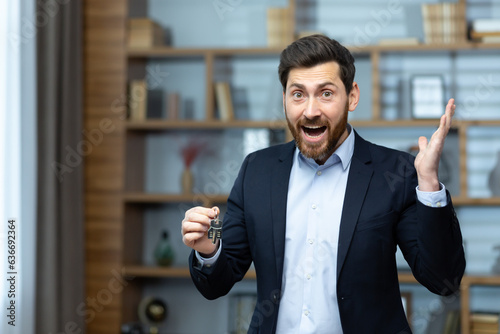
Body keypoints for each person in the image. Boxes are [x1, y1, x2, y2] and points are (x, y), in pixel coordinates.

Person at [181, 34, 465, 334]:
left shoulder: (397, 171)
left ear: (352, 96)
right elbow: (217, 283)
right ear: (284, 99)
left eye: (326, 93)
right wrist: (208, 250)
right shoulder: (257, 170)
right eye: (298, 94)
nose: (311, 110)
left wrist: (430, 184)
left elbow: (442, 279)